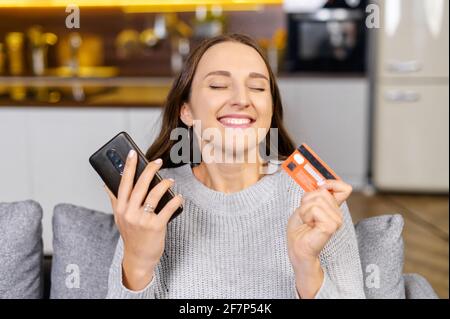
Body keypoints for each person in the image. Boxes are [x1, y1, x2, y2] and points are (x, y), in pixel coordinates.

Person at [104, 33, 365, 299]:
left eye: (258, 88)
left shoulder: (314, 196)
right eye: (218, 85)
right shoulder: (151, 199)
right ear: (186, 111)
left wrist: (306, 266)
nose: (242, 99)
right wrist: (137, 260)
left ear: (271, 109)